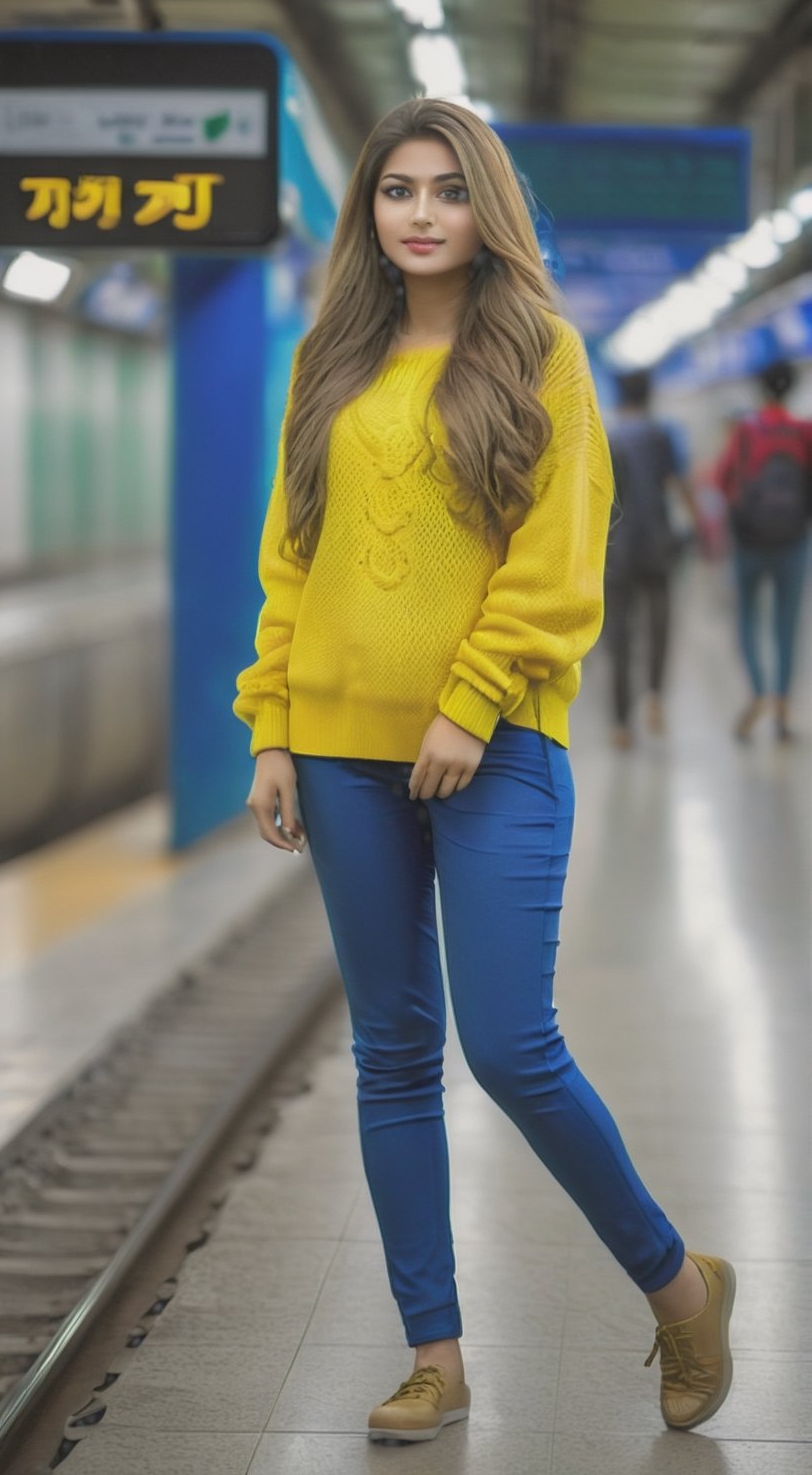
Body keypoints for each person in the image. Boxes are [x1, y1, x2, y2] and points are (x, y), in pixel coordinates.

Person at [233, 99, 735, 1445]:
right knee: (394, 1053)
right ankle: (436, 1358)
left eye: (448, 190)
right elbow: (295, 556)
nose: (420, 213)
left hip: (498, 746)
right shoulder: (326, 361)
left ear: (486, 208)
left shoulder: (543, 355)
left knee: (512, 1045)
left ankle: (679, 1286)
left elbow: (560, 563)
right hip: (338, 754)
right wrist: (271, 722)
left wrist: (467, 701)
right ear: (370, 213)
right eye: (396, 190)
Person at [710, 358, 811, 741]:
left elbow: (722, 480)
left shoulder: (746, 431)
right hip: (794, 541)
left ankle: (758, 692)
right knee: (786, 624)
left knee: (748, 619)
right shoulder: (803, 431)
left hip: (750, 540)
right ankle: (783, 705)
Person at [604, 370, 702, 749]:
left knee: (620, 635)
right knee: (659, 623)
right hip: (657, 545)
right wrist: (699, 525)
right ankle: (655, 696)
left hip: (616, 549)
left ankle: (620, 723)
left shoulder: (609, 438)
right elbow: (678, 483)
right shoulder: (660, 435)